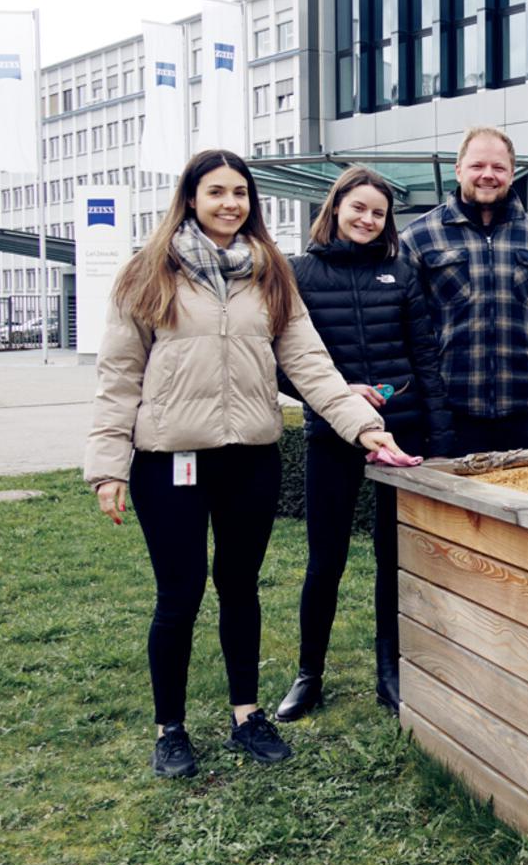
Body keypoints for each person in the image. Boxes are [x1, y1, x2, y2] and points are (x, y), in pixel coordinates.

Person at [84, 149, 406, 779]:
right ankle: (170, 729)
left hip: (250, 460)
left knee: (240, 590)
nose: (230, 204)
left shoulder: (271, 274)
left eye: (240, 193)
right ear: (191, 198)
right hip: (168, 460)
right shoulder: (147, 274)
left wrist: (365, 428)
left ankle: (245, 715)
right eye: (216, 192)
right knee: (178, 595)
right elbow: (118, 377)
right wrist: (108, 467)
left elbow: (311, 364)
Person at [274, 166, 452, 724]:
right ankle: (309, 675)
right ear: (335, 208)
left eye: (378, 213)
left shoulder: (402, 270)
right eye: (359, 208)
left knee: (392, 559)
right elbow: (278, 360)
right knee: (325, 560)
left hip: (403, 432)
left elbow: (425, 356)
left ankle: (390, 671)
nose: (368, 220)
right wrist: (334, 393)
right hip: (332, 434)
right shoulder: (298, 273)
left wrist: (439, 438)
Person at [403, 125, 528, 454]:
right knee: (450, 507)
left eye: (498, 167)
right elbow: (402, 328)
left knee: (519, 506)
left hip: (522, 414)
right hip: (446, 414)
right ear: (458, 171)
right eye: (477, 166)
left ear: (512, 174)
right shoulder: (419, 238)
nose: (488, 175)